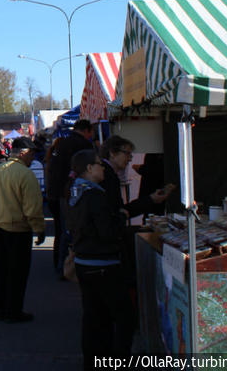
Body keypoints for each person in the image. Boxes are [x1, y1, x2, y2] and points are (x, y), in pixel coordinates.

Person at [67, 149, 133, 368]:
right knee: (121, 317)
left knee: (94, 318)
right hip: (103, 263)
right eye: (99, 164)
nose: (102, 167)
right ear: (89, 168)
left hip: (85, 262)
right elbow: (107, 232)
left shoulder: (76, 191)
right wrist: (120, 220)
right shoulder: (94, 195)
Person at [0, 136, 45, 323]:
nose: (33, 157)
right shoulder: (25, 174)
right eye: (31, 153)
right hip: (18, 231)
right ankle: (13, 310)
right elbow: (32, 208)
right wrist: (39, 229)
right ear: (23, 153)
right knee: (17, 273)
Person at [46, 119, 95, 276]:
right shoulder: (83, 145)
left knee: (61, 230)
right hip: (70, 193)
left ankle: (58, 264)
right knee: (69, 230)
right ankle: (64, 267)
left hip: (55, 192)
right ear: (87, 130)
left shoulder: (62, 143)